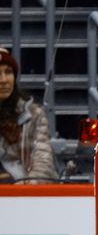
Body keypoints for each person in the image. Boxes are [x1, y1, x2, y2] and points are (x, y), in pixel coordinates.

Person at [0, 49, 57, 184]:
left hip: (24, 191)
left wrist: (26, 192)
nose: (3, 80)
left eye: (8, 72)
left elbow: (43, 161)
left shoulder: (33, 114)